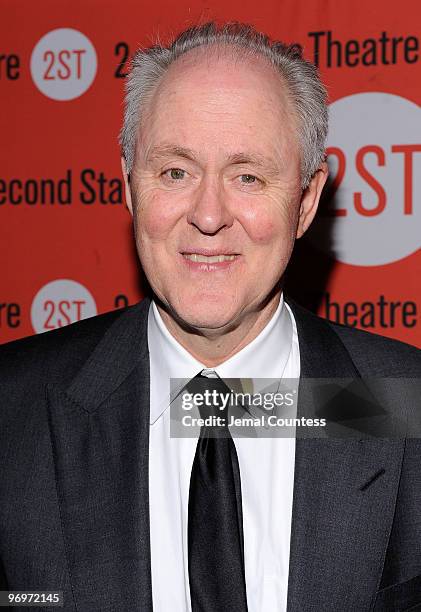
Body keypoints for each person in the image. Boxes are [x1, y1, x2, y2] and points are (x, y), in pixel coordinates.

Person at [0, 22, 420, 612]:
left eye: (247, 175)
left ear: (305, 201)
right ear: (128, 186)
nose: (208, 215)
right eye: (176, 171)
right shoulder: (11, 413)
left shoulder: (405, 406)